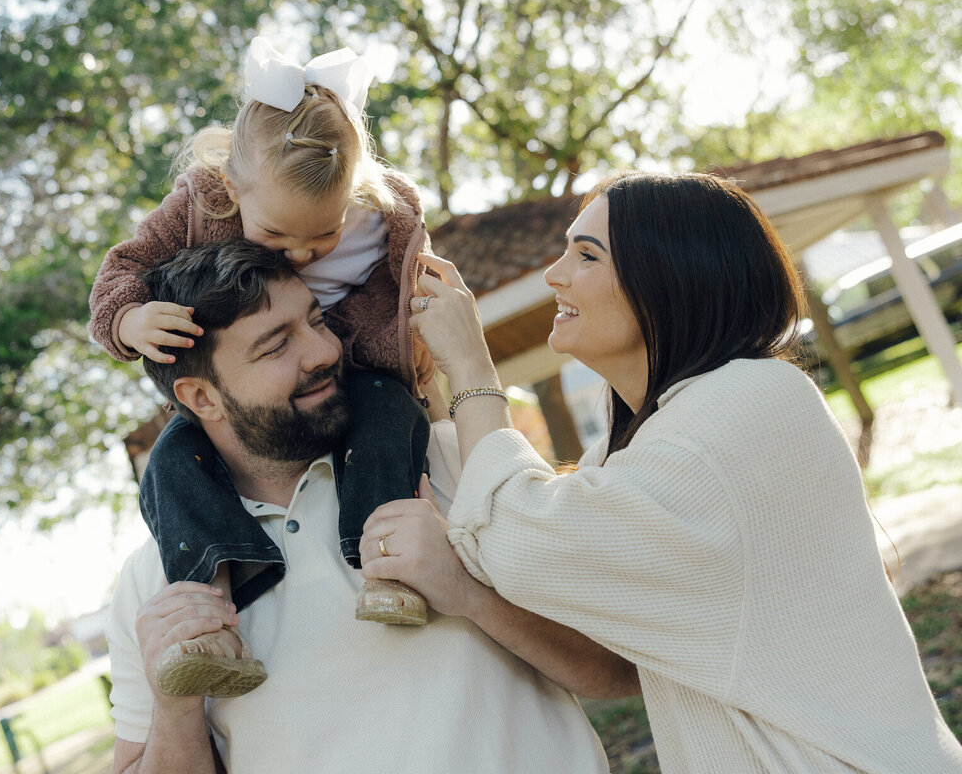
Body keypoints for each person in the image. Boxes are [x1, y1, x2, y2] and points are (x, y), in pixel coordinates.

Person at [374, 171, 962, 773]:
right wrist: (469, 595)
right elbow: (610, 664)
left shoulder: (752, 402)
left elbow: (519, 536)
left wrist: (471, 365)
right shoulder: (644, 447)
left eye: (586, 255)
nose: (556, 274)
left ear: (669, 277)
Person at [106, 240, 638, 773]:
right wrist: (173, 707)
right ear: (201, 398)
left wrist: (469, 593)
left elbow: (617, 667)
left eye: (316, 321)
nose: (324, 352)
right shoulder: (154, 584)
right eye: (275, 347)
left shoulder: (456, 458)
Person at [89, 38, 441, 696]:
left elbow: (413, 299)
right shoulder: (203, 197)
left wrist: (424, 355)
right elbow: (123, 267)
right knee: (172, 463)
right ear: (233, 185)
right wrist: (128, 321)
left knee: (390, 420)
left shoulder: (383, 216)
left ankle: (388, 566)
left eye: (322, 236)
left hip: (354, 375)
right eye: (278, 238)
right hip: (248, 396)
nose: (302, 255)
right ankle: (209, 611)